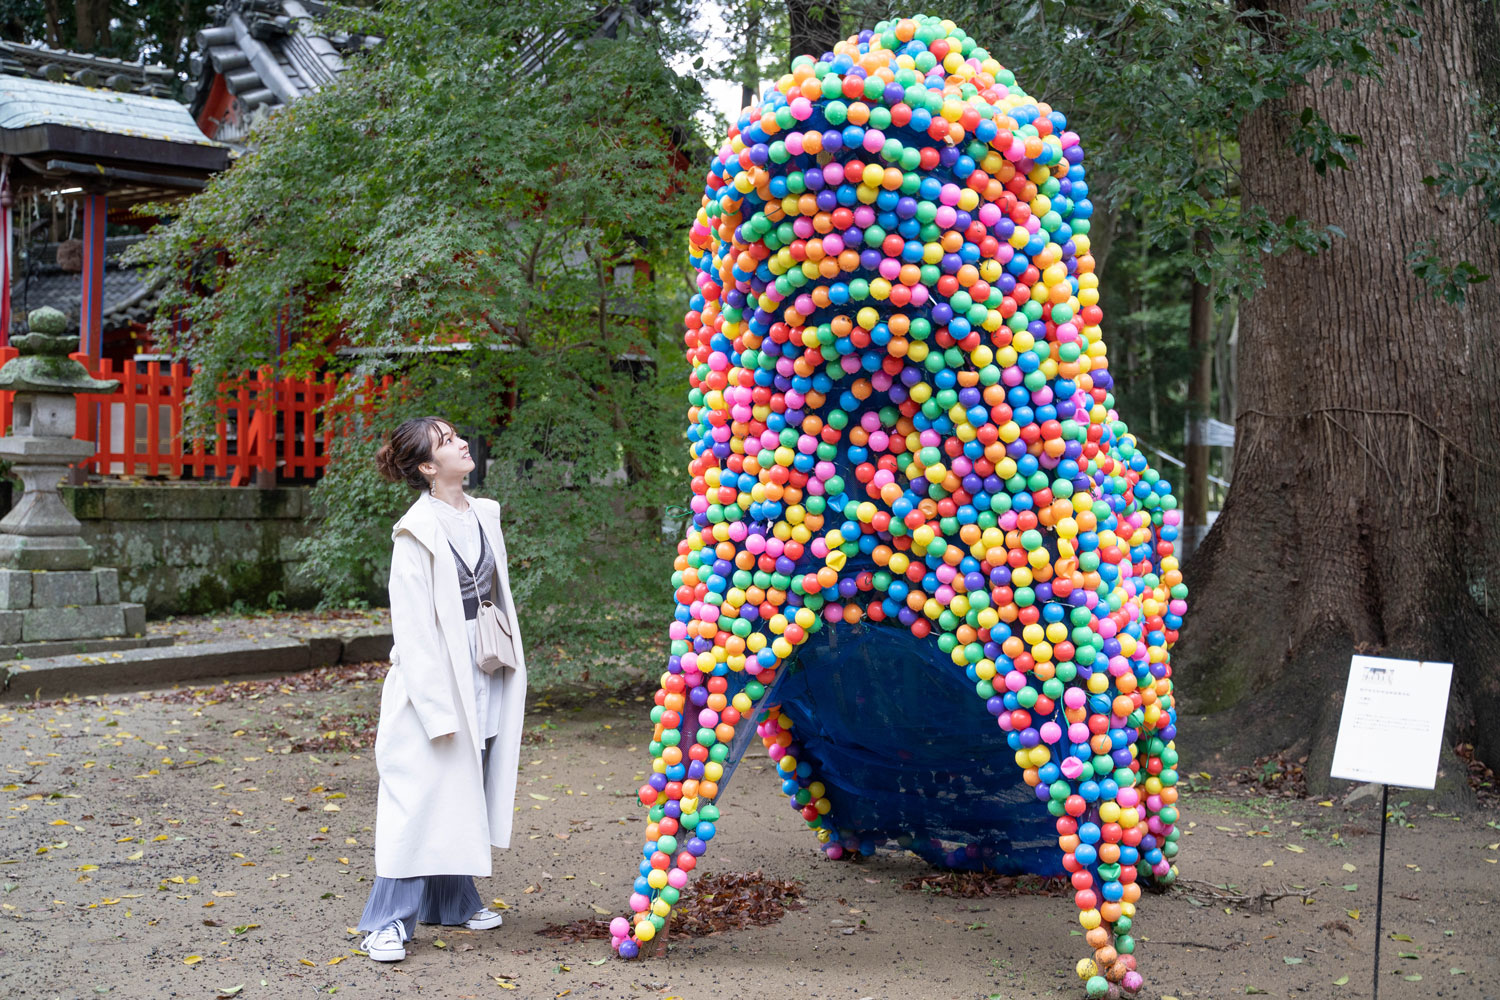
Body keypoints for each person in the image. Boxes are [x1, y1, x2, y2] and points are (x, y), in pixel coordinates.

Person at [357, 416, 527, 962]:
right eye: (447, 442)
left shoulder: (484, 514)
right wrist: (435, 709)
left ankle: (453, 900)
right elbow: (412, 630)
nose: (461, 444)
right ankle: (386, 921)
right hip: (430, 682)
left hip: (483, 667)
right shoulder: (414, 530)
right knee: (419, 796)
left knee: (465, 783)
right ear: (429, 467)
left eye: (455, 435)